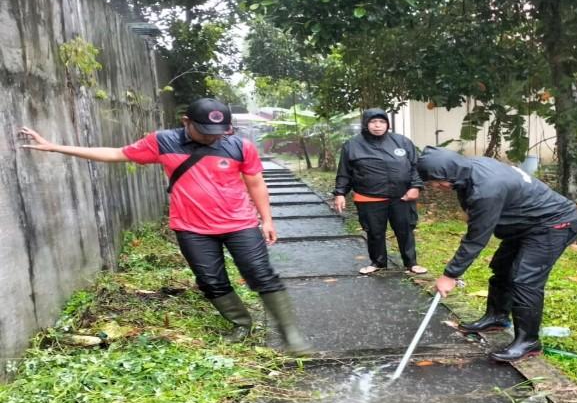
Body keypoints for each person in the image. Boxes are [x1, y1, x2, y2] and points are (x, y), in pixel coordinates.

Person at [19, 98, 309, 354]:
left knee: (261, 274)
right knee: (210, 281)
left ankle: (290, 333)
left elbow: (256, 182)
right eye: (205, 132)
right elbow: (116, 153)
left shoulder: (240, 146)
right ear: (186, 122)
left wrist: (267, 219)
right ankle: (241, 323)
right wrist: (54, 147)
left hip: (240, 223)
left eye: (219, 133)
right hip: (192, 228)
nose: (212, 139)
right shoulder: (163, 141)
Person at [416, 147, 577, 362]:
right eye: (431, 182)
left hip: (553, 223)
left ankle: (528, 341)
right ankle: (497, 317)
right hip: (526, 223)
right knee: (502, 268)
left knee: (525, 279)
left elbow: (476, 239)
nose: (437, 186)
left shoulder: (487, 189)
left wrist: (450, 275)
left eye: (438, 181)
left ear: (451, 171)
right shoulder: (469, 169)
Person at [333, 108, 427, 275]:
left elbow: (415, 167)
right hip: (369, 196)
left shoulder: (402, 142)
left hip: (402, 196)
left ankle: (411, 263)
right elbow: (344, 172)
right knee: (374, 232)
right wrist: (340, 193)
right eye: (373, 122)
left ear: (387, 124)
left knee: (405, 229)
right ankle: (378, 263)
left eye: (382, 122)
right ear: (366, 124)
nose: (378, 126)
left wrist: (415, 187)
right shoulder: (353, 145)